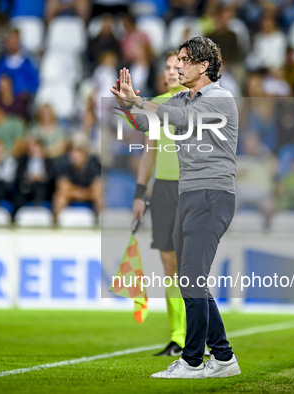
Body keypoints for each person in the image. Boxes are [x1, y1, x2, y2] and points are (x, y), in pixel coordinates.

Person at [111, 36, 240, 379]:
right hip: (189, 195)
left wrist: (139, 99)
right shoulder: (182, 98)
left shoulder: (220, 98)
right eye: (177, 59)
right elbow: (144, 124)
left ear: (203, 66)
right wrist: (127, 105)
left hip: (213, 195)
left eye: (184, 60)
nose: (178, 65)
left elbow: (182, 119)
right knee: (190, 279)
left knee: (192, 279)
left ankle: (193, 360)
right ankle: (224, 358)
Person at [131, 51, 190, 357]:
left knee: (190, 266)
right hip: (164, 189)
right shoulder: (157, 104)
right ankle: (178, 337)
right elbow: (149, 153)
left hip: (192, 187)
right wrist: (141, 193)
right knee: (169, 265)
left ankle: (194, 335)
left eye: (175, 67)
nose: (170, 72)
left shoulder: (198, 101)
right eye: (167, 68)